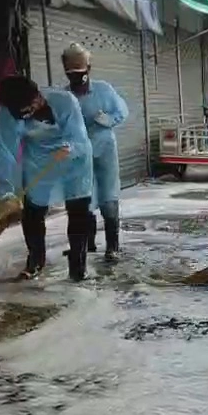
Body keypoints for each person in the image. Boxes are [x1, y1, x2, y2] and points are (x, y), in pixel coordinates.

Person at [0, 75, 94, 281]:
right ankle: (36, 261)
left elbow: (79, 137)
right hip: (39, 161)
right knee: (32, 212)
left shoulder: (65, 101)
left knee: (78, 210)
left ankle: (78, 264)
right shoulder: (9, 113)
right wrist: (7, 192)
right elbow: (4, 151)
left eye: (26, 109)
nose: (22, 116)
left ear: (37, 98)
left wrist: (70, 149)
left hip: (74, 161)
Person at [61, 43, 129, 262]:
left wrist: (108, 120)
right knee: (83, 198)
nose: (76, 79)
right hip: (79, 155)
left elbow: (122, 111)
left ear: (88, 69)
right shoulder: (64, 97)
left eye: (80, 74)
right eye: (71, 75)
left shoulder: (103, 90)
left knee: (108, 196)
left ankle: (113, 247)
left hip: (104, 150)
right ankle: (87, 245)